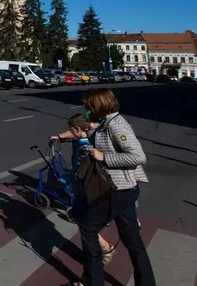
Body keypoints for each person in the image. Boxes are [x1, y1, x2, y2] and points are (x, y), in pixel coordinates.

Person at [72, 88, 155, 286]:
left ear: (98, 105)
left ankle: (92, 280)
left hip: (116, 189)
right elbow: (101, 140)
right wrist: (91, 127)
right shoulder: (105, 123)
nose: (85, 108)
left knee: (88, 227)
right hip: (122, 190)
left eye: (88, 105)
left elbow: (138, 157)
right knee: (133, 240)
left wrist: (104, 157)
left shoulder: (117, 126)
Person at [51, 114, 115, 263]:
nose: (69, 132)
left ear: (76, 129)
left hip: (87, 187)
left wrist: (72, 180)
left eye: (71, 130)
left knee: (85, 223)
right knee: (84, 222)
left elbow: (83, 170)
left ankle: (104, 250)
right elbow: (74, 132)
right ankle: (100, 250)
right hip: (89, 187)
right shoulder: (87, 136)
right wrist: (59, 137)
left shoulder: (84, 146)